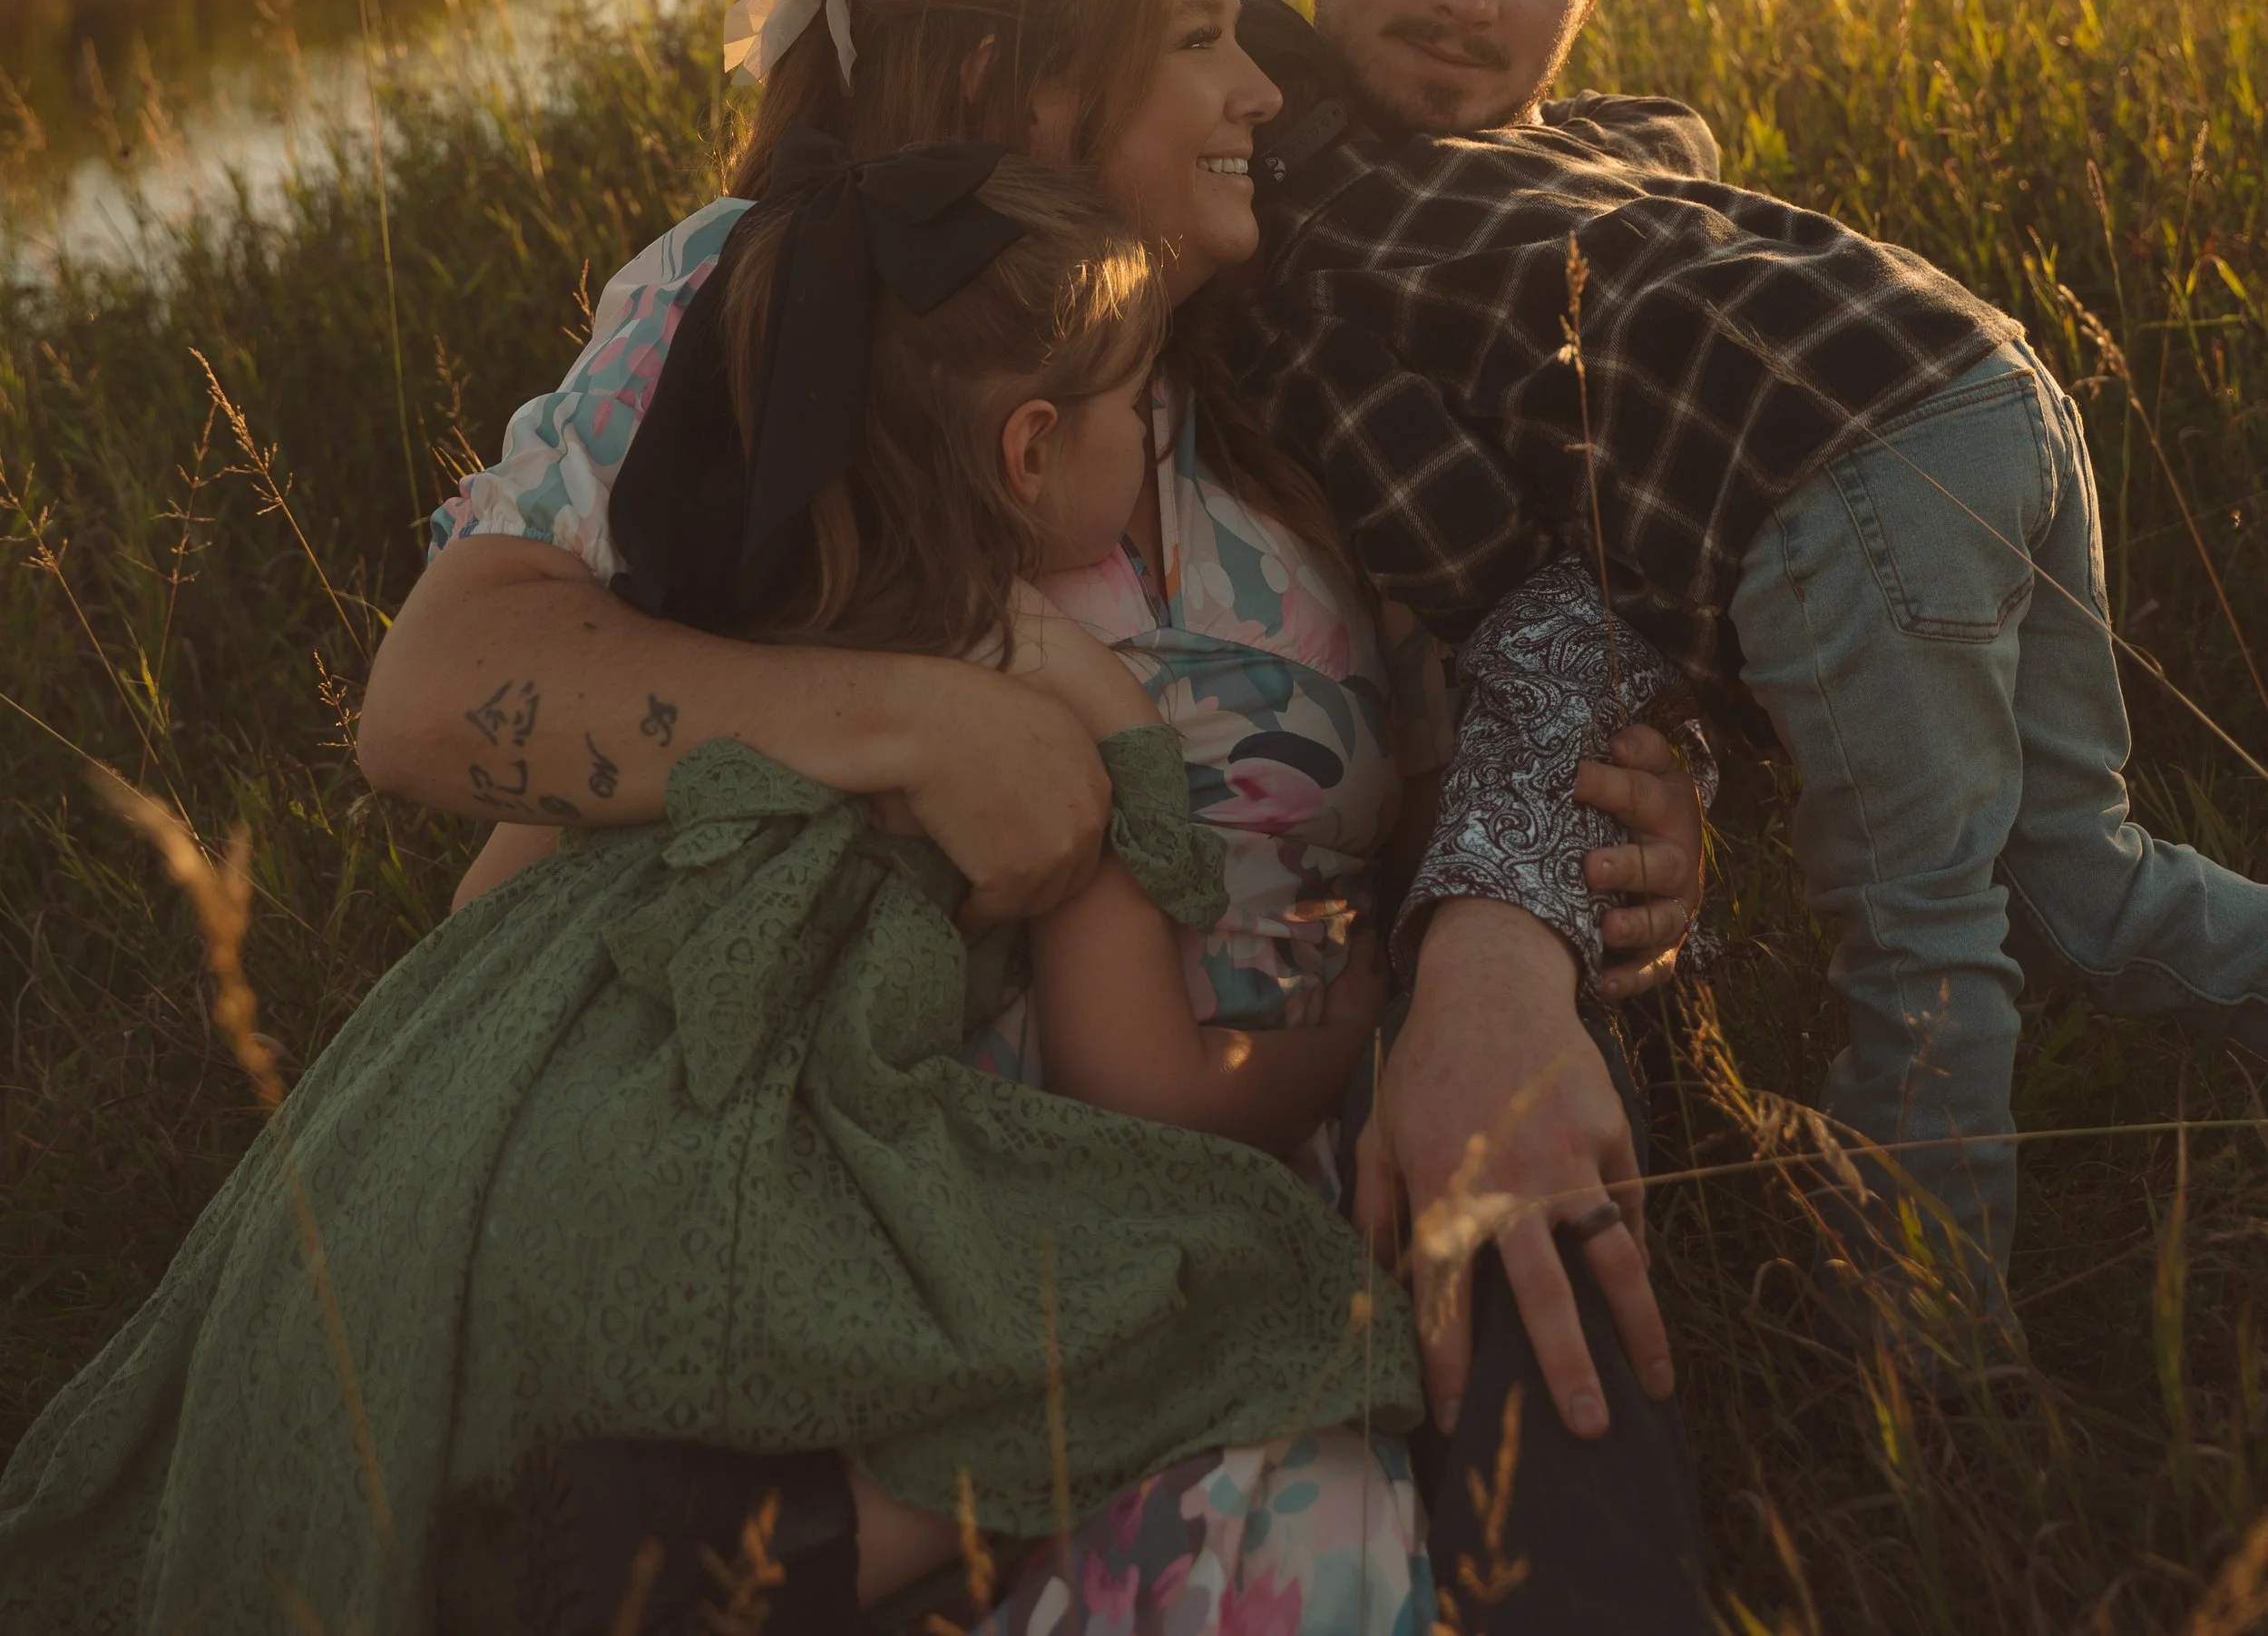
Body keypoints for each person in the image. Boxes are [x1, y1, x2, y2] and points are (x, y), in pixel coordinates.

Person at [357, 0, 1714, 1629]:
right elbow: (437, 697)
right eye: (1198, 40)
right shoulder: (782, 288)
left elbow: (1521, 641)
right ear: (1024, 85)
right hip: (929, 1139)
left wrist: (1555, 870)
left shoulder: (1272, 332)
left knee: (1474, 1317)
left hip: (1285, 1108)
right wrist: (924, 722)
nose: (1256, 90)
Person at [0, 148, 1428, 1636]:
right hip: (742, 1184)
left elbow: (492, 909)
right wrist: (1350, 1044)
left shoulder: (732, 630)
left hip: (495, 1132)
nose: (1154, 431)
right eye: (1141, 405)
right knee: (1213, 1291)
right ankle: (773, 1541)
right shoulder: (1050, 712)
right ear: (1026, 451)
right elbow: (1142, 1091)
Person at [1232, 0, 2268, 1345]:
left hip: (1848, 473)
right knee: (2081, 876)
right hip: (1993, 389)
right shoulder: (1543, 164)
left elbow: (1478, 565)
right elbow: (1677, 132)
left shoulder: (1330, 229)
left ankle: (1928, 1353)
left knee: (1923, 944)